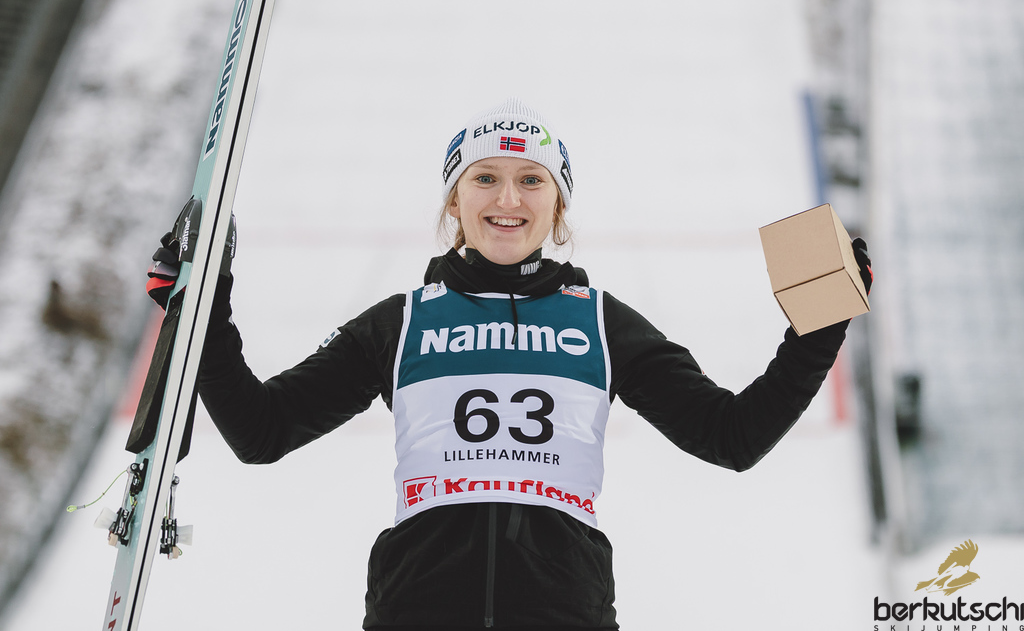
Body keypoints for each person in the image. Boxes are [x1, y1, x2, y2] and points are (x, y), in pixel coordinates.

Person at [147, 97, 872, 630]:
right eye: (484, 178)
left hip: (562, 612)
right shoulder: (402, 322)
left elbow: (732, 435)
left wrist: (822, 321)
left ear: (557, 207)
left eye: (531, 180)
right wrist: (201, 306)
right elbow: (262, 430)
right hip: (417, 610)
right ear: (454, 201)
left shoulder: (600, 322)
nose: (507, 198)